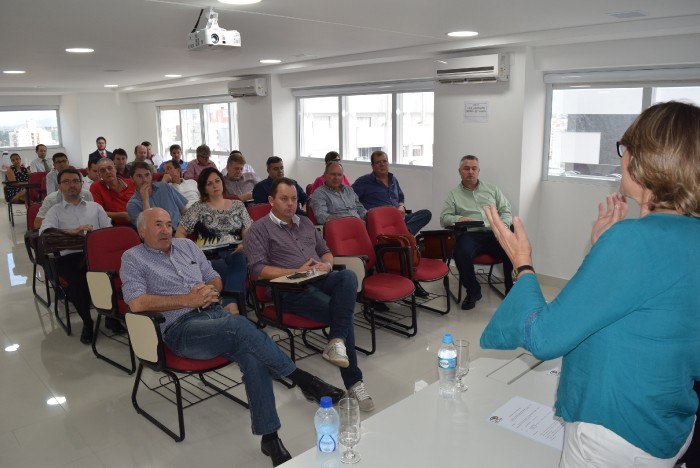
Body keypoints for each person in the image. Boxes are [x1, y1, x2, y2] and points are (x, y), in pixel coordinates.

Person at [480, 101, 700, 467]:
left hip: (616, 432)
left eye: (626, 148)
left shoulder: (632, 241)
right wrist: (602, 252)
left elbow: (545, 337)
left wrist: (521, 261)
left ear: (648, 159)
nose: (623, 157)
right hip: (668, 421)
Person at [122, 208, 344, 467]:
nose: (166, 230)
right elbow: (136, 302)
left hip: (214, 315)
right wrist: (188, 299)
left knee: (253, 356)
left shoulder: (186, 246)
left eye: (169, 224)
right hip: (180, 330)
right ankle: (304, 380)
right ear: (142, 231)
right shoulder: (133, 258)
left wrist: (209, 290)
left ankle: (269, 437)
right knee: (240, 326)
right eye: (158, 225)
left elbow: (215, 279)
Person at [245, 177, 375, 412]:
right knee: (341, 315)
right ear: (271, 200)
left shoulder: (305, 223)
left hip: (319, 278)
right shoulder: (259, 229)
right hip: (289, 288)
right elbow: (259, 270)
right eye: (284, 199)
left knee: (348, 277)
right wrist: (296, 271)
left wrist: (326, 265)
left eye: (294, 199)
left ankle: (335, 342)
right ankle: (354, 381)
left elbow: (326, 252)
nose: (290, 204)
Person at [39, 168, 112, 344]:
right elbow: (45, 233)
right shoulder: (55, 211)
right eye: (67, 182)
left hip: (95, 255)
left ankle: (111, 317)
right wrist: (72, 232)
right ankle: (88, 322)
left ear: (81, 184)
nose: (72, 185)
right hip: (68, 257)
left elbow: (109, 232)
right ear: (59, 186)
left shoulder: (95, 207)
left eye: (75, 181)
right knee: (79, 283)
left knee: (111, 276)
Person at [440, 155, 514, 310]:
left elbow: (506, 210)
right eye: (466, 168)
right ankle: (473, 291)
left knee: (511, 249)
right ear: (459, 171)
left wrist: (503, 226)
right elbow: (444, 218)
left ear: (479, 171)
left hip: (494, 232)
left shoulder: (492, 189)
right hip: (470, 234)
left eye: (474, 168)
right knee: (460, 253)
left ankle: (511, 291)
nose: (470, 172)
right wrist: (459, 218)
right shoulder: (454, 194)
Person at [175, 168, 250, 301]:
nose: (215, 185)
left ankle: (228, 305)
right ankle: (233, 305)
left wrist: (245, 243)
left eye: (217, 181)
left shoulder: (238, 205)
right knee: (225, 271)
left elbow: (248, 229)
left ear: (222, 183)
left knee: (240, 258)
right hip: (209, 255)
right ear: (204, 188)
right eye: (209, 184)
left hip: (236, 251)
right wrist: (191, 252)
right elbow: (180, 232)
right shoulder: (198, 208)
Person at [352, 150, 432, 235]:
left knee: (426, 214)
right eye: (378, 162)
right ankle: (403, 236)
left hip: (399, 218)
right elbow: (349, 198)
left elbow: (401, 197)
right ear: (372, 166)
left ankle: (402, 235)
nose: (382, 164)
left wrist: (401, 206)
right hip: (382, 222)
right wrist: (363, 216)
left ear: (388, 163)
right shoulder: (363, 181)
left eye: (384, 161)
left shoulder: (393, 179)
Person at [127, 162, 187, 228]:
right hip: (161, 236)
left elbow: (183, 210)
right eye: (139, 176)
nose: (145, 180)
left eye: (147, 175)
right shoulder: (132, 204)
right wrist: (145, 200)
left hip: (182, 229)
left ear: (151, 176)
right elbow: (147, 228)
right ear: (132, 179)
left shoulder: (164, 186)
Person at [90, 158, 135, 226]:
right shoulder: (96, 187)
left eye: (110, 168)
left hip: (136, 221)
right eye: (102, 170)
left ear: (115, 169)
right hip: (113, 226)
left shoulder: (130, 183)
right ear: (99, 174)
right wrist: (123, 215)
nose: (107, 172)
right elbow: (99, 212)